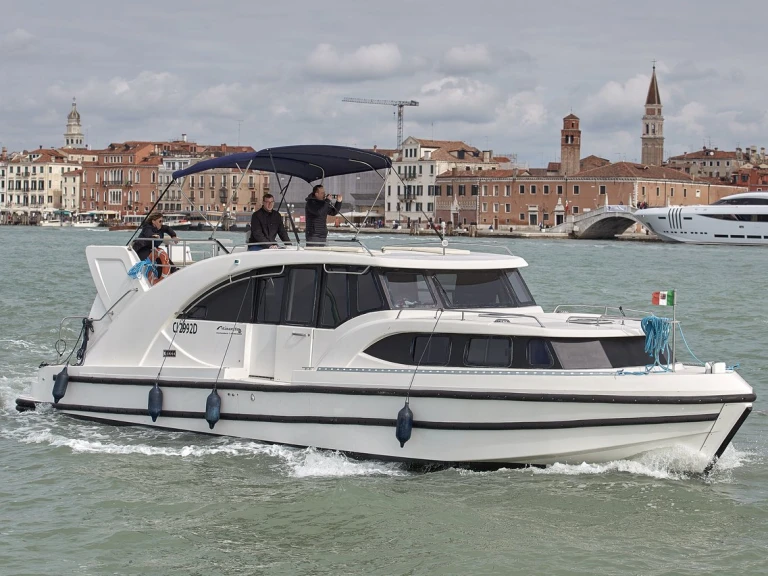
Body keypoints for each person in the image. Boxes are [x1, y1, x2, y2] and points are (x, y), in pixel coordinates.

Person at [133, 212, 179, 281]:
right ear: (153, 221)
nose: (161, 223)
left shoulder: (161, 227)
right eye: (160, 221)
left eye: (162, 221)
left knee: (162, 256)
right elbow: (148, 234)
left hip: (152, 248)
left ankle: (174, 269)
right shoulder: (147, 227)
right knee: (155, 260)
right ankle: (159, 277)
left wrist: (173, 236)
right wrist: (153, 236)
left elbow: (168, 229)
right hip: (142, 249)